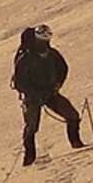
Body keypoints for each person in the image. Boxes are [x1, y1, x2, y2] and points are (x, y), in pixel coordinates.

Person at [10, 24, 84, 165]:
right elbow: (19, 82)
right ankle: (29, 158)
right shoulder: (25, 58)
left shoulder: (52, 54)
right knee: (31, 126)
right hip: (32, 97)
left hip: (50, 93)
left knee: (72, 116)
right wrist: (34, 93)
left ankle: (76, 143)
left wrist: (57, 84)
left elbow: (63, 68)